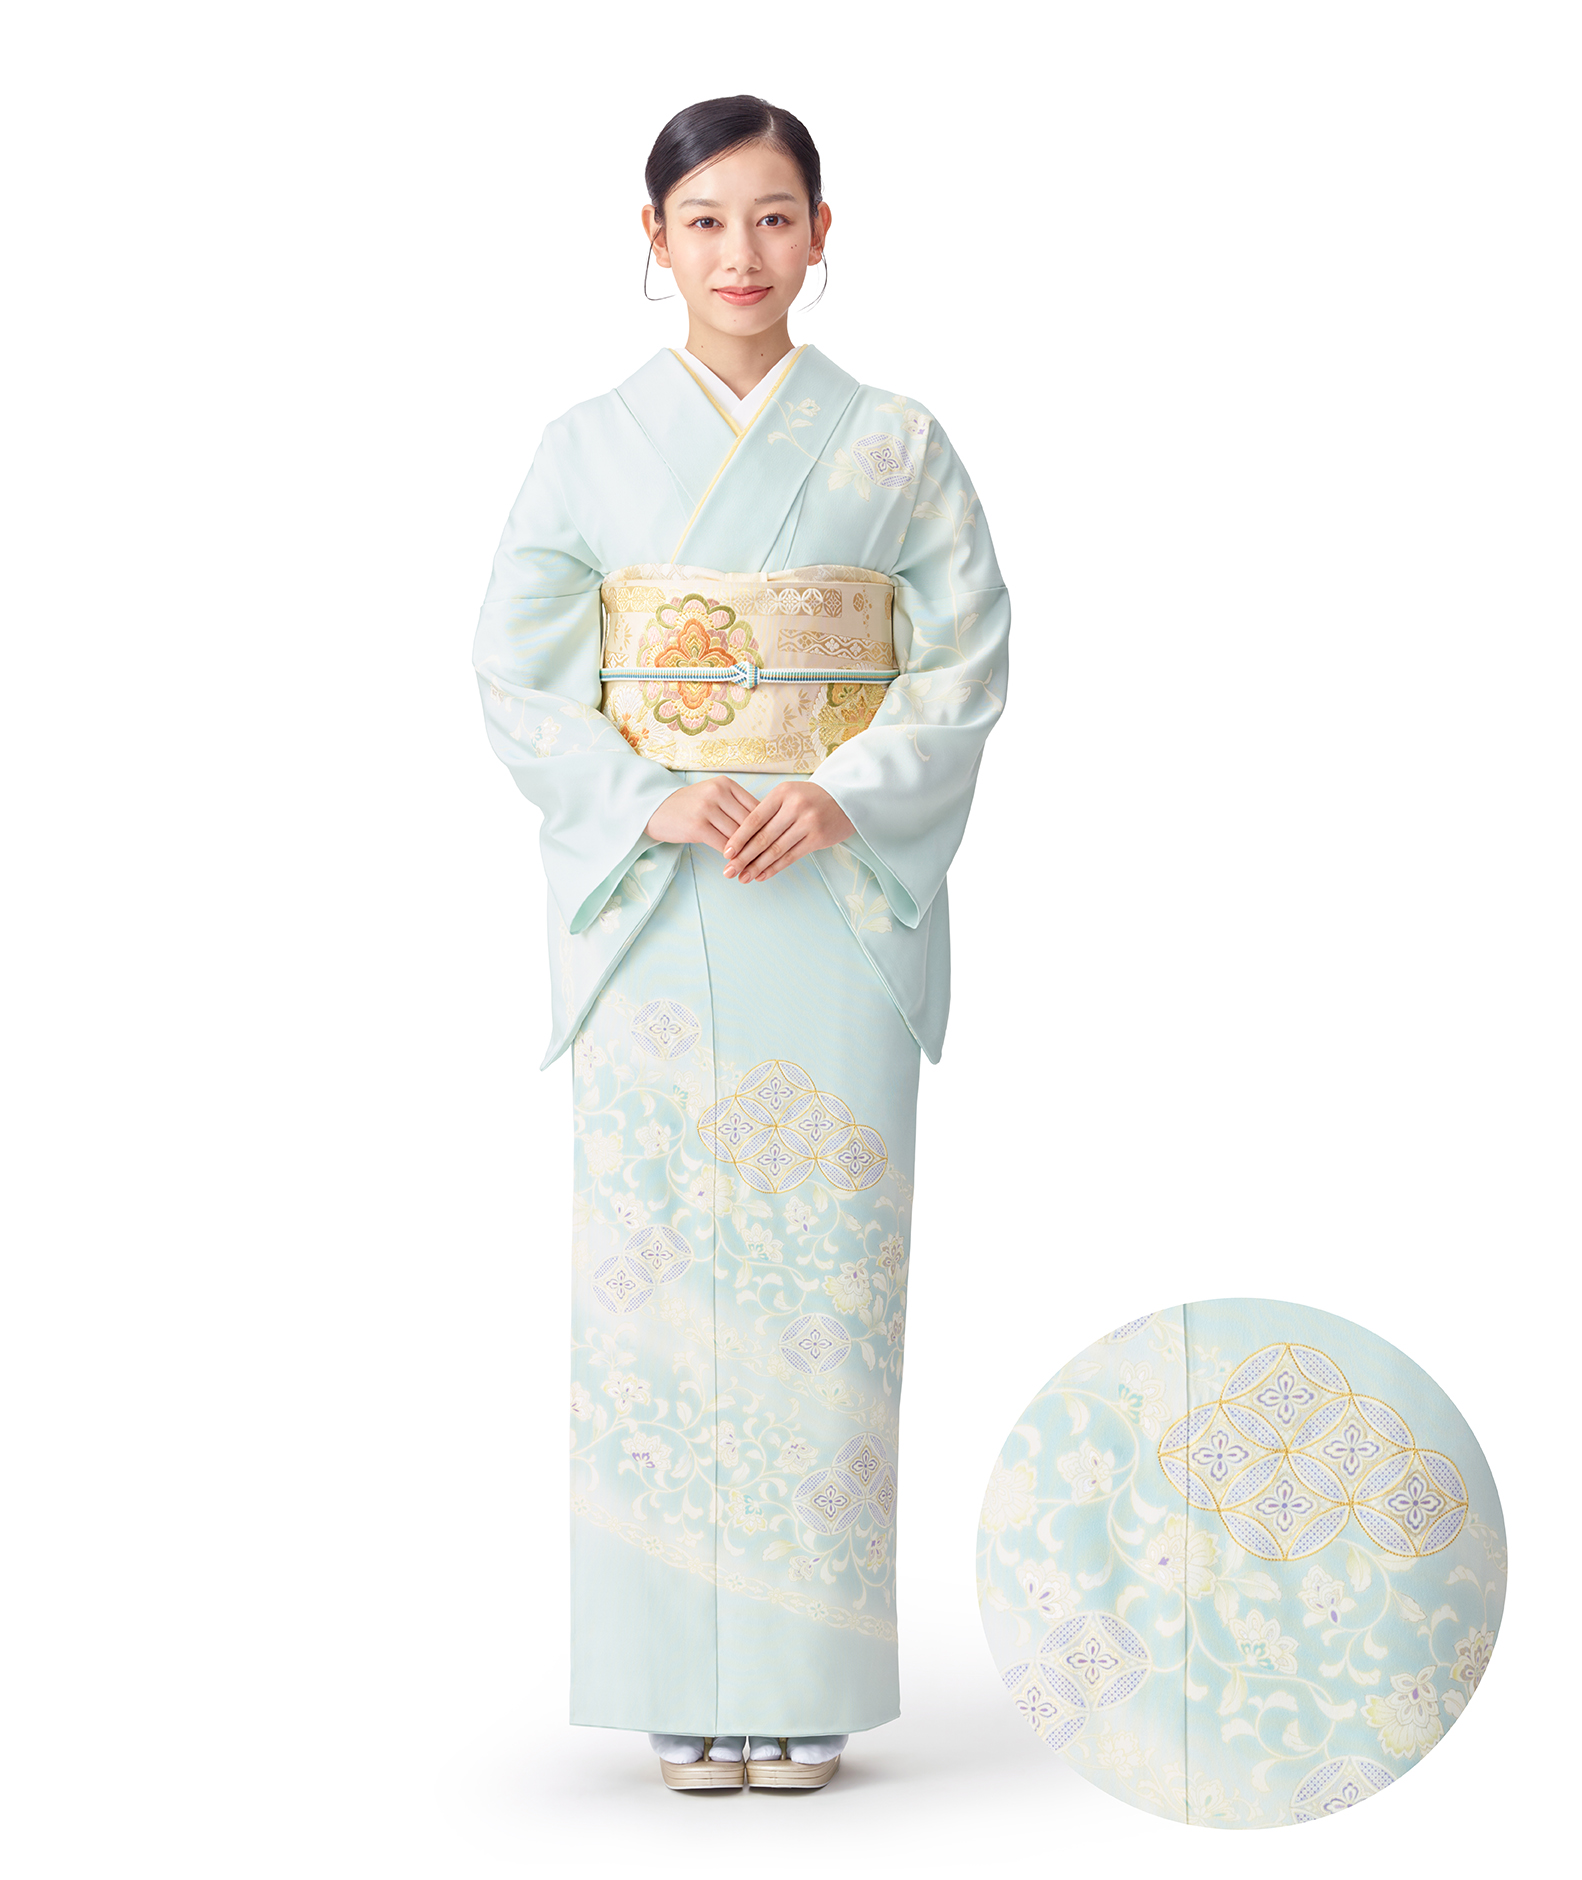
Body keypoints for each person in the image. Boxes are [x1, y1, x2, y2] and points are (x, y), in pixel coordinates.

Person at [473, 94, 1010, 1792]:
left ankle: (805, 1675)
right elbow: (516, 667)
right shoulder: (586, 443)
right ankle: (667, 1672)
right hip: (662, 895)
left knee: (816, 1275)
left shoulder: (896, 443)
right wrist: (646, 796)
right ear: (652, 240)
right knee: (654, 1279)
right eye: (703, 221)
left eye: (774, 217)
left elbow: (964, 657)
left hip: (829, 894)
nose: (740, 253)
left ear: (822, 233)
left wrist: (846, 792)